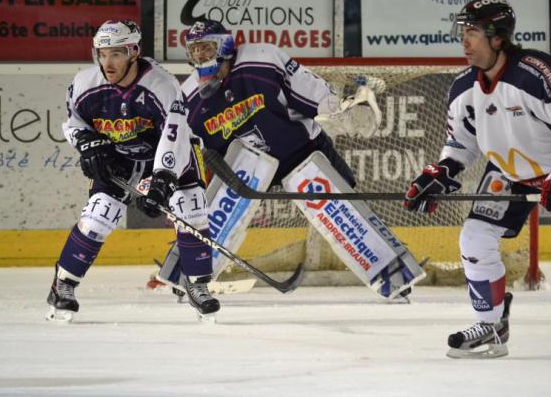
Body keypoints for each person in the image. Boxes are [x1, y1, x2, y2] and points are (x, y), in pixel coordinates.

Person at [142, 19, 426, 301]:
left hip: (299, 148)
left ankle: (393, 273)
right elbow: (180, 145)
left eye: (206, 47)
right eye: (194, 50)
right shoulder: (190, 96)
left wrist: (342, 110)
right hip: (247, 163)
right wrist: (166, 178)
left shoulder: (262, 60)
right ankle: (186, 276)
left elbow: (310, 89)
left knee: (343, 206)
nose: (200, 55)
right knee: (215, 210)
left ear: (224, 45)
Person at [404, 0, 551, 358]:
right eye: (463, 32)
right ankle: (491, 326)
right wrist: (441, 170)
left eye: (472, 32)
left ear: (498, 37)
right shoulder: (462, 89)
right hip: (509, 174)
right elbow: (461, 144)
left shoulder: (536, 73)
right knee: (474, 238)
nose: (464, 42)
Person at [46, 20, 219, 323]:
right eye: (102, 54)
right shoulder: (85, 84)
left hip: (169, 152)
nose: (107, 62)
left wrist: (163, 180)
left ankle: (197, 285)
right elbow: (74, 124)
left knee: (191, 208)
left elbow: (174, 136)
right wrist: (87, 143)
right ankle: (63, 284)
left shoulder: (162, 85)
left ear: (133, 52)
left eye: (115, 54)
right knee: (99, 214)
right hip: (120, 158)